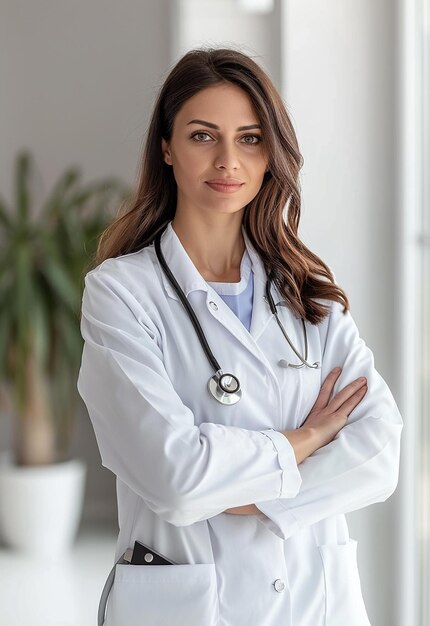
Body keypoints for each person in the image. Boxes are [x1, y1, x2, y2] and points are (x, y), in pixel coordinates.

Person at [77, 47, 403, 626]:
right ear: (167, 147)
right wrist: (304, 441)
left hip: (313, 603)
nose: (229, 160)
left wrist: (238, 489)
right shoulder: (121, 294)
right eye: (204, 136)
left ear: (271, 154)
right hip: (188, 608)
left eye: (250, 138)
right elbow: (174, 478)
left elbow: (379, 453)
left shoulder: (307, 293)